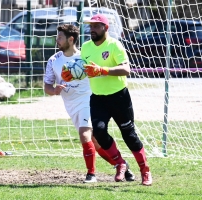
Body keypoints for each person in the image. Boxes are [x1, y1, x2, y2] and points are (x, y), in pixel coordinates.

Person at [63, 14, 152, 186]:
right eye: (91, 26)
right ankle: (120, 163)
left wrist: (103, 70)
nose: (92, 29)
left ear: (105, 28)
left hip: (119, 97)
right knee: (99, 131)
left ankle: (145, 171)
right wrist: (71, 75)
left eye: (96, 26)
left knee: (129, 136)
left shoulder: (114, 45)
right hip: (98, 98)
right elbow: (84, 70)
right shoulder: (87, 47)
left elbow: (126, 69)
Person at [44, 24, 135, 183]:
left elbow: (98, 73)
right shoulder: (54, 60)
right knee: (96, 143)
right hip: (71, 105)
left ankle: (91, 175)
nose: (56, 40)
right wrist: (54, 90)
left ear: (71, 39)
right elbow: (47, 86)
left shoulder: (84, 57)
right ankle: (122, 165)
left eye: (60, 37)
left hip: (88, 99)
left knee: (85, 135)